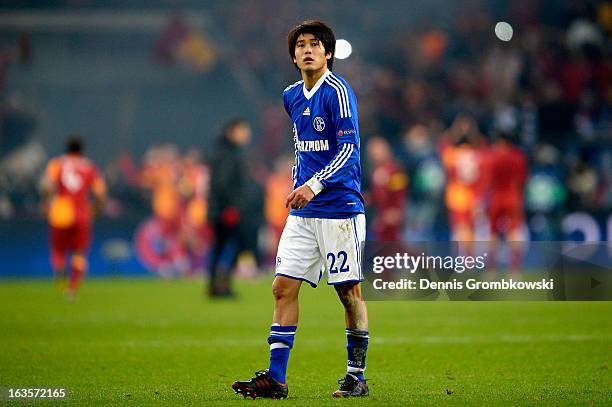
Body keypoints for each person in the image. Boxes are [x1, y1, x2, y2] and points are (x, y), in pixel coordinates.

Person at [232, 20, 369, 399]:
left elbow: (348, 151)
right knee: (282, 287)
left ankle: (356, 376)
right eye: (301, 45)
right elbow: (302, 147)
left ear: (328, 53)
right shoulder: (291, 95)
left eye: (316, 44)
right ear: (293, 56)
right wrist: (298, 182)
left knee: (348, 292)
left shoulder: (339, 93)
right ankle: (276, 379)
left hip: (339, 208)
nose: (308, 50)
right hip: (304, 213)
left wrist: (312, 185)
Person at [43, 136, 107, 300]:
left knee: (58, 248)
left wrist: (46, 204)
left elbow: (48, 186)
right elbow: (100, 193)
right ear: (82, 150)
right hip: (81, 211)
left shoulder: (57, 164)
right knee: (79, 252)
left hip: (61, 211)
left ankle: (59, 268)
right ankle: (72, 289)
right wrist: (97, 210)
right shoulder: (89, 167)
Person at [207, 118, 253, 297]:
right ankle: (221, 284)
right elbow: (223, 183)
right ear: (232, 132)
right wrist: (231, 207)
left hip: (220, 209)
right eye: (243, 130)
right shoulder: (229, 154)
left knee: (220, 247)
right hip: (226, 211)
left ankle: (215, 285)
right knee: (234, 246)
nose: (246, 134)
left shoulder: (223, 152)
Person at [366, 136, 408, 241]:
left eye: (378, 150)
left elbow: (400, 194)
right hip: (380, 220)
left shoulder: (395, 171)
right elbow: (376, 196)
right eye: (372, 151)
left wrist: (396, 211)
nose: (375, 154)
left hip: (393, 220)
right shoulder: (374, 172)